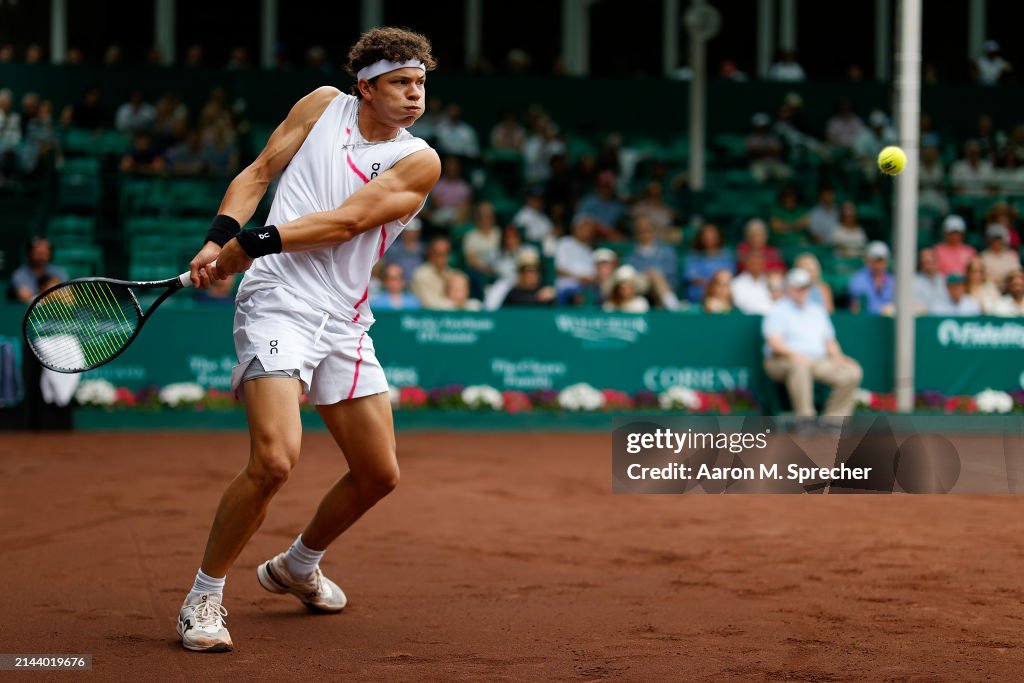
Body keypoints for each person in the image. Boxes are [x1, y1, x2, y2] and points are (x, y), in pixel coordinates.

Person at [182, 27, 441, 653]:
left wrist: (257, 240)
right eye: (401, 83)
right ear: (366, 86)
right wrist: (221, 239)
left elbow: (349, 220)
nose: (414, 96)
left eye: (421, 84)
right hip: (277, 301)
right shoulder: (321, 105)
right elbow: (259, 172)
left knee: (378, 474)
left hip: (345, 319)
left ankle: (297, 565)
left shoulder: (419, 159)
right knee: (274, 459)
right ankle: (203, 597)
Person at [762, 268, 863, 423]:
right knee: (800, 366)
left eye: (805, 287)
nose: (803, 291)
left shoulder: (817, 311)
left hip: (817, 361)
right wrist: (794, 355)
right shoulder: (778, 309)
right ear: (789, 288)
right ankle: (806, 420)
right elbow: (775, 343)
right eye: (798, 287)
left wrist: (839, 358)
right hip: (781, 361)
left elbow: (829, 342)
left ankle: (833, 420)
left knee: (852, 372)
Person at [683, 223, 735, 303]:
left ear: (718, 238)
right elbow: (692, 277)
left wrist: (716, 284)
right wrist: (712, 284)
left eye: (712, 237)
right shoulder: (693, 256)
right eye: (706, 237)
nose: (709, 239)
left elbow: (728, 275)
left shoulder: (726, 255)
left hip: (722, 292)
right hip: (698, 294)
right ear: (701, 238)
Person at [11, 237, 68, 303]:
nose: (41, 257)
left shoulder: (59, 272)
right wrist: (50, 294)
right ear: (29, 253)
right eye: (37, 253)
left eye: (44, 253)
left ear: (50, 254)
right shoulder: (19, 274)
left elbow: (67, 297)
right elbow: (25, 297)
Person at [847, 241, 894, 315]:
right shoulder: (857, 280)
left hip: (888, 323)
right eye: (876, 260)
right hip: (865, 322)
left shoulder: (892, 281)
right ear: (868, 260)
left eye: (881, 260)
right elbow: (856, 307)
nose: (879, 264)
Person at [411, 237, 454, 309]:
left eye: (445, 254)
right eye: (438, 254)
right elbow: (430, 305)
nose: (441, 258)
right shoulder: (421, 275)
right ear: (430, 254)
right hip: (425, 317)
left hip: (451, 316)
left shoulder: (452, 274)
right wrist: (457, 304)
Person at [731, 249, 774, 315]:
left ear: (763, 264)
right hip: (747, 319)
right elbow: (739, 305)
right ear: (746, 264)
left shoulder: (771, 281)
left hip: (769, 317)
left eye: (759, 263)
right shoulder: (737, 283)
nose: (756, 266)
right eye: (753, 263)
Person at [979, 224, 1021, 290]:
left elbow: (1016, 273)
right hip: (989, 289)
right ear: (989, 240)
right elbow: (981, 277)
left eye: (999, 239)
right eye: (994, 239)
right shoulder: (983, 256)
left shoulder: (1011, 255)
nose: (996, 242)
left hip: (1009, 289)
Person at [913, 247, 947, 314]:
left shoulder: (944, 281)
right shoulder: (914, 282)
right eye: (925, 262)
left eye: (930, 262)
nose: (928, 266)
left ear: (937, 262)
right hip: (922, 319)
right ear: (921, 264)